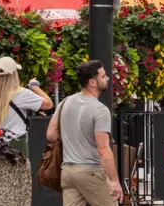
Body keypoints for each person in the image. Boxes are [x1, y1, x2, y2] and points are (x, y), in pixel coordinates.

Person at [46, 60, 123, 206]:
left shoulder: (65, 102)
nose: (107, 79)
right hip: (90, 171)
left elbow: (50, 135)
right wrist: (114, 181)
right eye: (103, 76)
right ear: (93, 82)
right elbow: (103, 150)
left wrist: (72, 137)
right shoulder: (100, 110)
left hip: (68, 171)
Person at [0, 56, 54, 140]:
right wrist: (34, 87)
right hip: (16, 145)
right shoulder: (21, 94)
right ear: (14, 74)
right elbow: (49, 104)